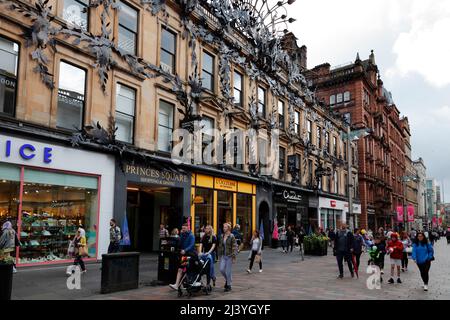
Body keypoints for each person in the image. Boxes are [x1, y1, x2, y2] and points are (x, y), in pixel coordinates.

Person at [169, 223, 195, 291]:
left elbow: (191, 245)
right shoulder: (182, 235)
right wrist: (181, 235)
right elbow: (179, 244)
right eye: (182, 228)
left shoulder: (191, 235)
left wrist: (185, 250)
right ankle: (177, 285)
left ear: (188, 228)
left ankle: (179, 284)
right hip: (184, 255)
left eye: (184, 228)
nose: (183, 229)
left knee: (183, 269)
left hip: (190, 255)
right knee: (180, 269)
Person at [218, 223, 237, 292]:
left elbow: (234, 247)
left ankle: (228, 285)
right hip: (223, 255)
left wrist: (234, 257)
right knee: (221, 269)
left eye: (225, 227)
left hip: (229, 256)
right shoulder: (222, 236)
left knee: (228, 271)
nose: (224, 228)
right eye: (223, 227)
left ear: (228, 228)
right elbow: (220, 246)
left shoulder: (232, 236)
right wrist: (219, 255)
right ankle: (228, 280)